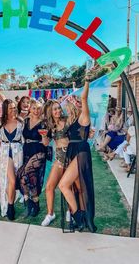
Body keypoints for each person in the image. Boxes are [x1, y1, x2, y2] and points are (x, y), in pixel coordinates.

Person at [58, 72, 97, 233]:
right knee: (80, 189)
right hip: (74, 152)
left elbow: (83, 98)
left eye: (69, 103)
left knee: (63, 185)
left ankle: (78, 218)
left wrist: (86, 81)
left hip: (80, 152)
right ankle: (86, 219)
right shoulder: (72, 122)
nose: (66, 106)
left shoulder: (83, 117)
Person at [16, 100, 49, 217]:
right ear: (30, 109)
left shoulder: (45, 123)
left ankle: (30, 202)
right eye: (34, 108)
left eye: (39, 108)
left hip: (39, 151)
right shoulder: (26, 121)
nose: (36, 111)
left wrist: (44, 135)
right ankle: (33, 203)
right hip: (27, 150)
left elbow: (46, 143)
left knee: (25, 173)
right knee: (27, 178)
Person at [41, 100, 69, 226]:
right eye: (54, 109)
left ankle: (70, 211)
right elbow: (46, 143)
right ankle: (50, 214)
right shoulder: (50, 125)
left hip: (71, 156)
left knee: (69, 187)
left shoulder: (68, 120)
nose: (58, 111)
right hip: (59, 158)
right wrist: (43, 136)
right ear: (50, 112)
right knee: (49, 186)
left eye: (58, 108)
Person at [0, 99, 23, 220]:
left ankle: (11, 202)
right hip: (5, 153)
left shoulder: (20, 122)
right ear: (5, 110)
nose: (13, 110)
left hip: (17, 153)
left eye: (14, 107)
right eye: (10, 108)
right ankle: (10, 205)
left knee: (14, 181)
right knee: (10, 180)